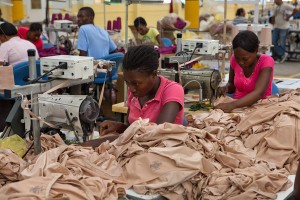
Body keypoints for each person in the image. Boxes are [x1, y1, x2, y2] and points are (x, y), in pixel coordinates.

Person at [100, 45, 184, 135]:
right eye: (127, 82)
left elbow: (158, 133)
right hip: (139, 146)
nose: (131, 89)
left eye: (136, 83)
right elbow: (133, 127)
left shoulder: (172, 90)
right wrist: (119, 126)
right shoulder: (135, 92)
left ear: (153, 74)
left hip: (163, 146)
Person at [215, 30, 274, 113]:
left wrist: (232, 105)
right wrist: (226, 88)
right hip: (236, 106)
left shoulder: (266, 61)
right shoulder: (234, 59)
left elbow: (258, 93)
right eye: (237, 58)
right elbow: (231, 84)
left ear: (256, 50)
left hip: (260, 108)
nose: (240, 62)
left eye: (245, 59)